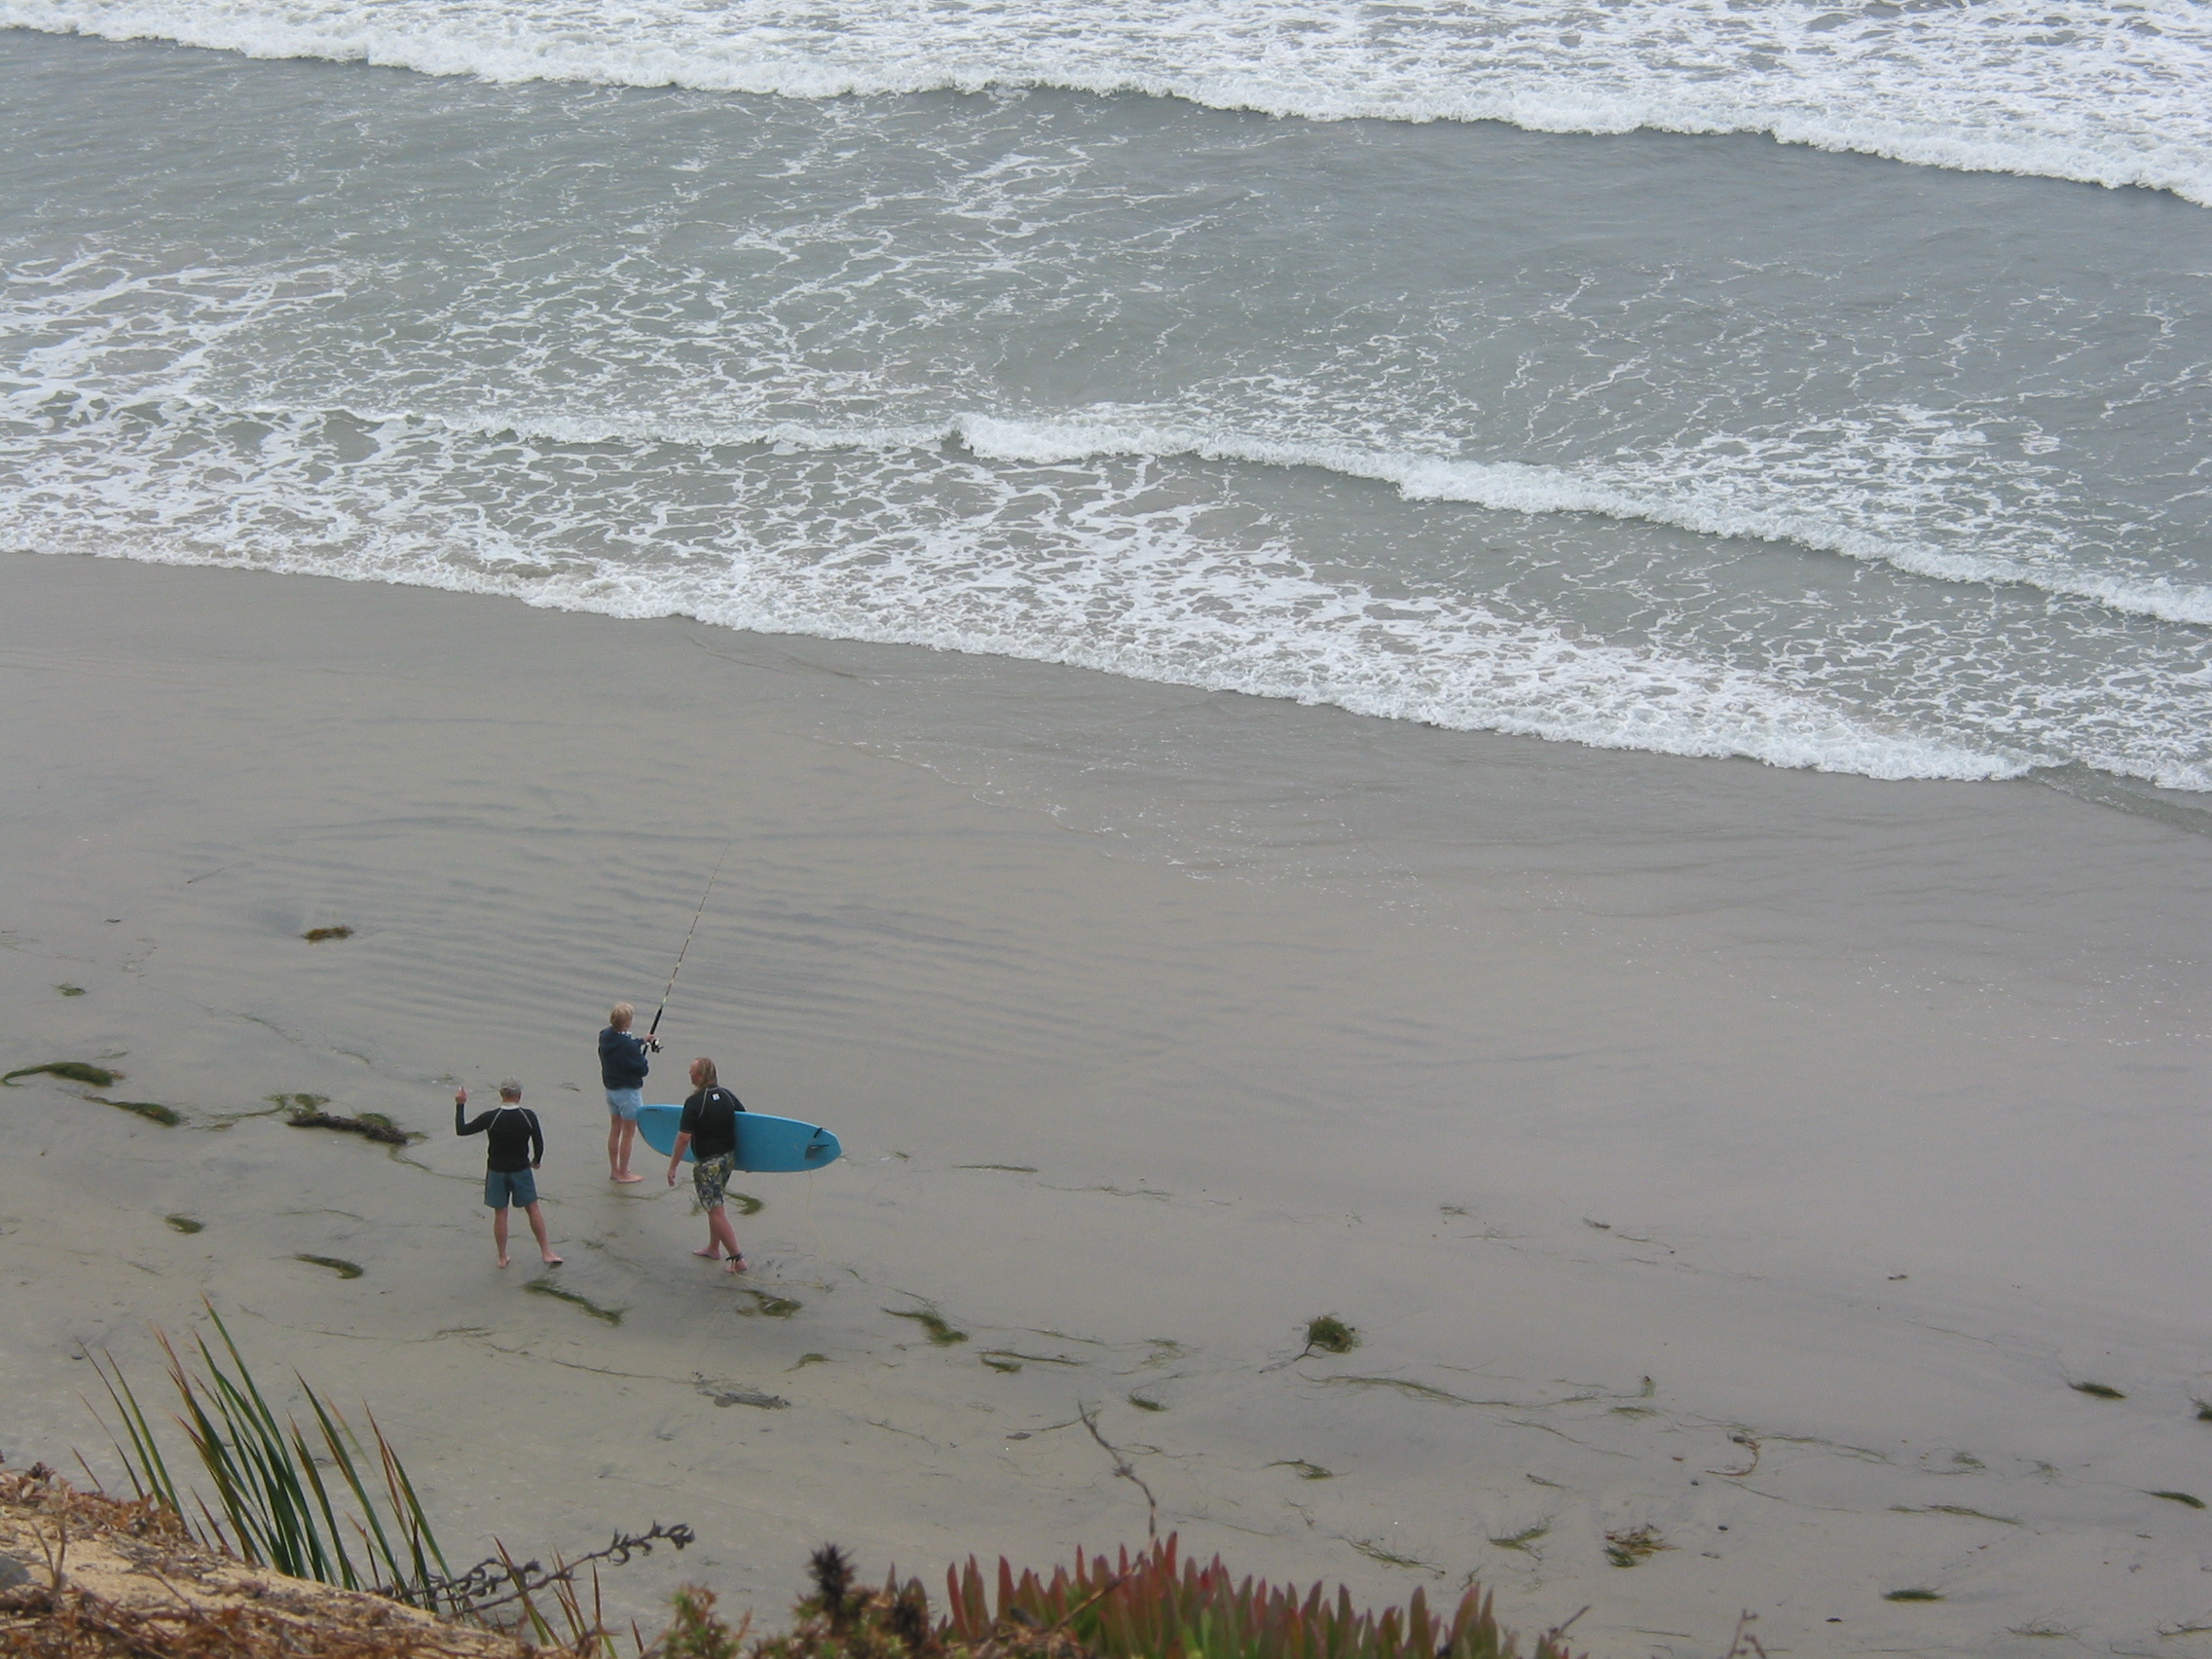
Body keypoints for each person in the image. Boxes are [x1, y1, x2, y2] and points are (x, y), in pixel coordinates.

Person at [456, 1081, 562, 1269]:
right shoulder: (527, 1116)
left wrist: (460, 1103)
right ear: (519, 1095)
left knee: (501, 1213)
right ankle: (546, 1252)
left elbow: (462, 1130)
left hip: (496, 1170)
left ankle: (502, 1257)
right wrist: (536, 1160)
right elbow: (538, 1141)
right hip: (521, 1169)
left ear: (501, 1095)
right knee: (533, 1209)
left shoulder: (492, 1117)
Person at [666, 1056, 747, 1272]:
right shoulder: (728, 1096)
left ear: (700, 1076)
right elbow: (747, 1122)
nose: (689, 1075)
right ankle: (713, 1248)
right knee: (715, 1204)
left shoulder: (694, 1102)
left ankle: (737, 1259)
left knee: (715, 1210)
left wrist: (673, 1166)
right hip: (727, 1159)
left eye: (691, 1072)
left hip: (707, 1164)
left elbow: (684, 1138)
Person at [599, 1002, 654, 1183]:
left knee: (615, 1128)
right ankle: (623, 1173)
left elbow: (625, 1044)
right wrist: (641, 1057)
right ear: (628, 1022)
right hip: (628, 1093)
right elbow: (642, 1069)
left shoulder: (606, 1036)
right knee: (628, 1133)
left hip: (611, 1091)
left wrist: (642, 1041)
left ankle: (614, 1169)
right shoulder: (627, 1047)